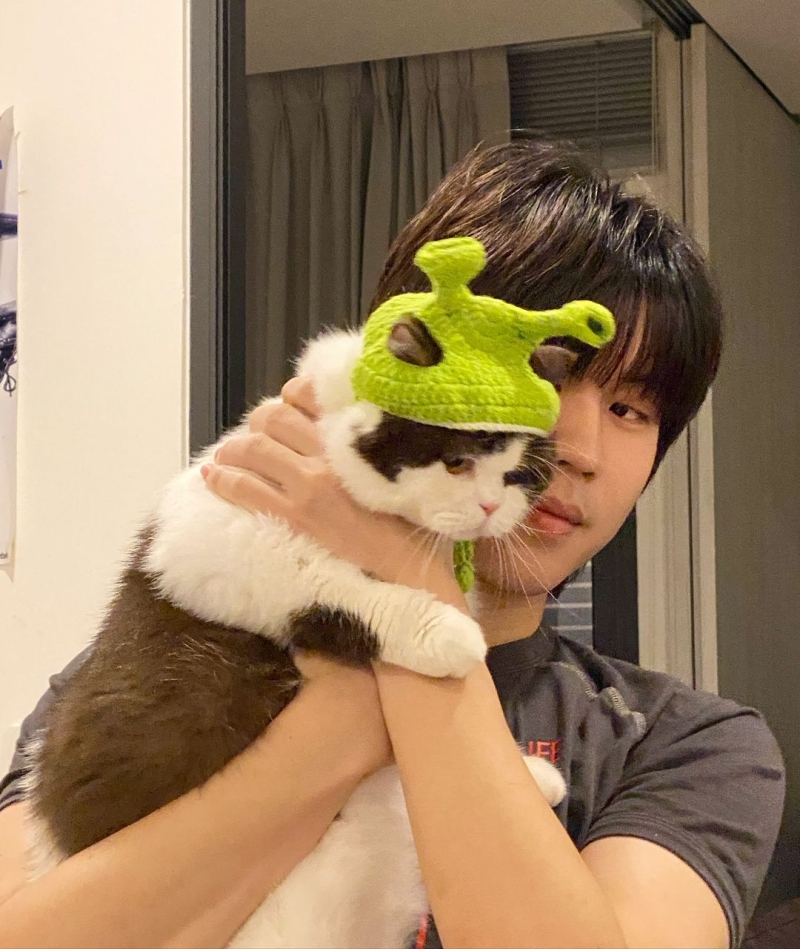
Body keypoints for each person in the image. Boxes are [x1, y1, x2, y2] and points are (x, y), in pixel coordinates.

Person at [0, 141, 784, 949]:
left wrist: (414, 617)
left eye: (631, 411)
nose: (579, 447)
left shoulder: (683, 744)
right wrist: (340, 727)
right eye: (541, 378)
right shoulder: (160, 662)